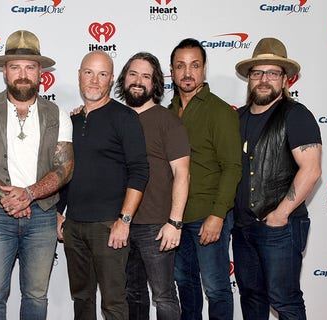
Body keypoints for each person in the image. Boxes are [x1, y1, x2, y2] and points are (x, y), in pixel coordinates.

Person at [0, 30, 74, 320]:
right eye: (15, 67)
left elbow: (65, 167)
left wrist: (29, 195)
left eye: (30, 67)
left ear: (40, 72)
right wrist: (8, 197)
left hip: (43, 216)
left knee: (36, 295)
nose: (22, 74)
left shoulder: (58, 113)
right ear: (5, 71)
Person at [232, 37, 322, 320]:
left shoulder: (296, 115)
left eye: (272, 73)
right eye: (257, 73)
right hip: (243, 228)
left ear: (285, 80)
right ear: (249, 78)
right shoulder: (238, 118)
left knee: (285, 301)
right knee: (252, 299)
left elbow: (312, 169)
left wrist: (281, 214)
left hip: (280, 228)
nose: (263, 79)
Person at [57, 50, 149, 320]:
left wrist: (125, 219)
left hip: (109, 226)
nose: (94, 80)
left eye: (102, 74)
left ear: (111, 80)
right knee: (82, 299)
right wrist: (57, 213)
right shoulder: (69, 121)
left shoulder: (125, 118)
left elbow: (140, 171)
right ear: (79, 76)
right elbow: (62, 172)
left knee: (114, 302)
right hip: (73, 226)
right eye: (89, 72)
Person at [167, 38, 241, 320]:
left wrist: (218, 215)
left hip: (207, 214)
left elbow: (232, 167)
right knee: (185, 285)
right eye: (181, 66)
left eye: (195, 66)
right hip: (176, 218)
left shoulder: (220, 111)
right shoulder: (168, 112)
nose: (188, 73)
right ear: (172, 71)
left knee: (217, 288)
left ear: (204, 69)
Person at [115, 52, 190, 320]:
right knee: (132, 293)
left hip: (156, 226)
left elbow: (182, 173)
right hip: (119, 224)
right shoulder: (113, 117)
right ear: (123, 79)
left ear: (155, 83)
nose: (138, 81)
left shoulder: (168, 121)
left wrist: (175, 222)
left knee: (164, 295)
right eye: (133, 74)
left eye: (146, 76)